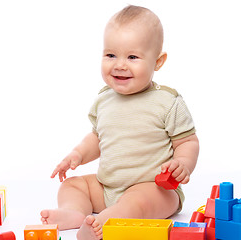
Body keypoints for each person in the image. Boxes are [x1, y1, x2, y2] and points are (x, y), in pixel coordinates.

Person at [40, 5, 199, 240]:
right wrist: (77, 155)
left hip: (154, 188)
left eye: (132, 57)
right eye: (111, 55)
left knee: (138, 202)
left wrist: (183, 163)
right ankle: (73, 213)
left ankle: (104, 223)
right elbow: (97, 137)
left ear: (158, 61)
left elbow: (188, 141)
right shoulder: (104, 99)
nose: (120, 64)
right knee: (73, 185)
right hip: (107, 187)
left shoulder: (167, 101)